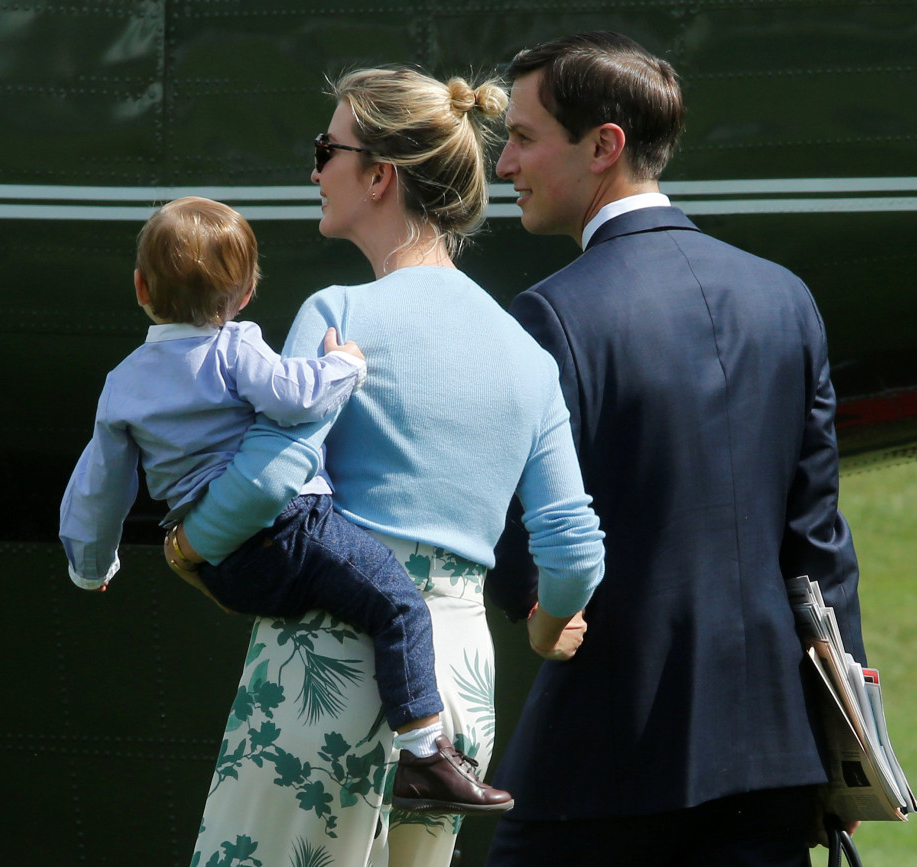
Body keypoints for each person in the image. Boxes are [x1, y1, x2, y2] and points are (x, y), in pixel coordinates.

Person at [165, 68, 605, 867]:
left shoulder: (339, 314)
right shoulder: (526, 355)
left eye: (325, 150)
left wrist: (191, 545)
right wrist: (547, 628)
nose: (315, 171)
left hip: (331, 665)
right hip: (460, 679)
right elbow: (572, 551)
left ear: (379, 177)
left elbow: (273, 476)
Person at [484, 32, 868, 867]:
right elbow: (818, 542)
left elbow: (520, 527)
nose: (504, 164)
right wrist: (850, 737)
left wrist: (529, 603)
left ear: (603, 146)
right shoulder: (784, 298)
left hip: (604, 757)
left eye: (521, 137)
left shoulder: (554, 315)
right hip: (775, 759)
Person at [58, 195, 512, 815]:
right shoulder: (234, 346)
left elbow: (99, 486)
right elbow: (292, 398)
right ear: (246, 295)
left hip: (226, 570)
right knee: (400, 607)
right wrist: (344, 367)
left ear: (140, 287)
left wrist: (91, 567)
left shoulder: (123, 383)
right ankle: (424, 757)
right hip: (291, 532)